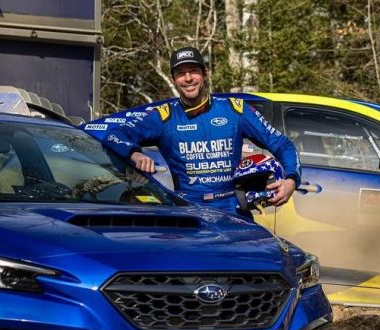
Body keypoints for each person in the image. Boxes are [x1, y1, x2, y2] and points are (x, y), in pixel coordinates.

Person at [101, 46, 301, 218]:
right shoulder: (163, 116)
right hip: (188, 211)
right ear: (173, 79)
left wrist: (291, 181)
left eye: (193, 71)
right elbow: (113, 135)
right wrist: (134, 153)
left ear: (205, 74)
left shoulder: (235, 110)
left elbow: (283, 144)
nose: (188, 78)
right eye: (181, 73)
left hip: (233, 210)